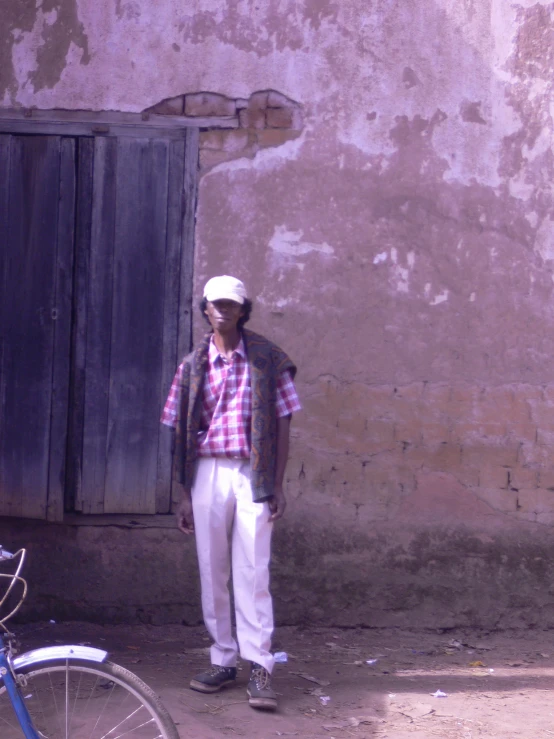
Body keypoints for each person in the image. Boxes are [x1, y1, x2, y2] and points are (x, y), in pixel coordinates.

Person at [161, 275, 301, 711]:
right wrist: (184, 493)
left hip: (251, 471)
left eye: (232, 305)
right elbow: (180, 429)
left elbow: (283, 421)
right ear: (205, 309)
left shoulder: (267, 358)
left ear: (244, 310)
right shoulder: (192, 365)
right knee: (212, 568)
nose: (223, 310)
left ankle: (260, 665)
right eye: (216, 304)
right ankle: (223, 658)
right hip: (206, 472)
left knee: (253, 569)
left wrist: (276, 483)